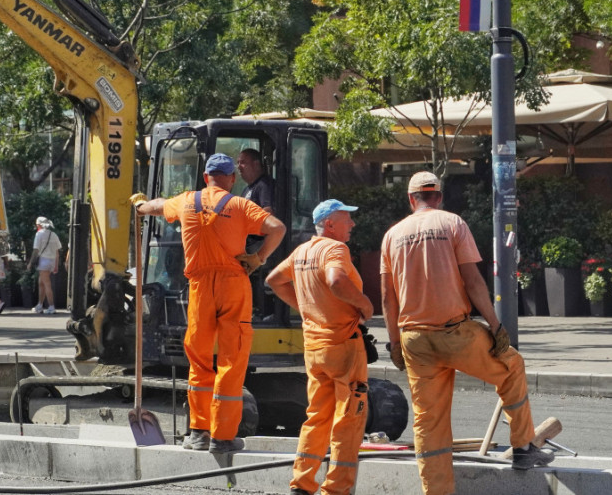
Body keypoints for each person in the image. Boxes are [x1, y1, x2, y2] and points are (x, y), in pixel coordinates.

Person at [380, 171, 553, 495]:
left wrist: (394, 344)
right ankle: (523, 448)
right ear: (439, 196)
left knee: (428, 423)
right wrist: (496, 327)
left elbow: (388, 297)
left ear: (410, 199)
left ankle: (437, 492)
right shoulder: (452, 224)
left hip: (414, 340)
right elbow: (473, 282)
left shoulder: (393, 235)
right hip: (455, 332)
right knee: (511, 366)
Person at [131, 152, 286, 454]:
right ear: (230, 179)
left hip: (199, 287)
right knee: (232, 358)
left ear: (205, 177)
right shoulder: (240, 204)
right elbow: (277, 228)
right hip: (233, 284)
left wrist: (139, 207)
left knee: (199, 359)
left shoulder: (187, 200)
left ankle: (199, 432)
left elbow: (159, 206)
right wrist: (258, 258)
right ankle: (223, 437)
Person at [266, 199, 372, 495]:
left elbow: (274, 279)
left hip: (314, 347)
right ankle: (336, 489)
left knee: (317, 416)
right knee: (348, 418)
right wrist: (365, 305)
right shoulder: (334, 249)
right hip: (343, 345)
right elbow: (336, 281)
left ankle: (302, 484)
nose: (352, 224)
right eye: (346, 219)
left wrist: (304, 307)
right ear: (329, 224)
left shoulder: (302, 251)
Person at [27, 216, 62, 315]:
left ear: (38, 225)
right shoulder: (54, 234)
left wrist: (30, 263)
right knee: (41, 283)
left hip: (43, 261)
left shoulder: (39, 234)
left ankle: (51, 306)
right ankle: (39, 305)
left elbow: (36, 250)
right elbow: (57, 251)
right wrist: (56, 265)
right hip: (51, 261)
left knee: (46, 283)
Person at [237, 148, 273, 213]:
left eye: (243, 162)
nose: (238, 167)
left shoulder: (265, 185)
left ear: (256, 164)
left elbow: (268, 213)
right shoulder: (247, 189)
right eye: (238, 163)